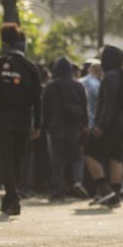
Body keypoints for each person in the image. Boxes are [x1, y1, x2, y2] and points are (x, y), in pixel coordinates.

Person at [0, 23, 42, 215]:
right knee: (16, 161)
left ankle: (12, 198)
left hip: (5, 119)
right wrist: (38, 124)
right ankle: (9, 199)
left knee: (6, 160)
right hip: (23, 121)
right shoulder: (30, 68)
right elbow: (37, 99)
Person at [83, 45, 123, 208]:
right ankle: (114, 195)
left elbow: (108, 104)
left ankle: (104, 190)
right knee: (115, 158)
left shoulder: (109, 77)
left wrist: (100, 125)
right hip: (122, 122)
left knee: (89, 153)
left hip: (109, 123)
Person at [42, 57, 88, 201]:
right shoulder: (78, 86)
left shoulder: (50, 86)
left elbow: (45, 108)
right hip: (74, 128)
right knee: (74, 158)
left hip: (56, 127)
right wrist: (84, 125)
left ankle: (58, 190)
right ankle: (74, 185)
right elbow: (84, 107)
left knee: (57, 160)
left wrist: (45, 126)